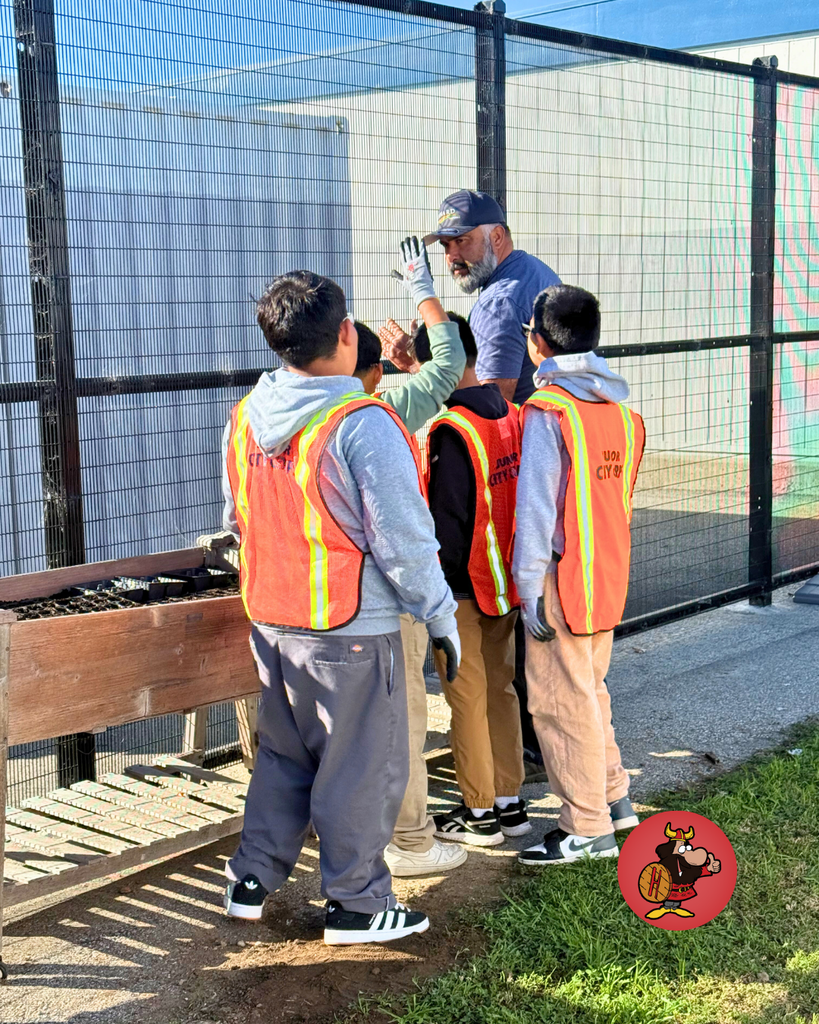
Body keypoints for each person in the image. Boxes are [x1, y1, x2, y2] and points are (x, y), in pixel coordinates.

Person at [220, 267, 460, 944]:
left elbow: (239, 518)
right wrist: (438, 613)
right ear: (347, 334)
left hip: (272, 622)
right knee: (359, 766)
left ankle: (250, 879)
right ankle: (357, 903)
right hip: (351, 629)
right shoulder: (362, 422)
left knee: (283, 758)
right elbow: (406, 541)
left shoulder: (244, 419)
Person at [513, 285, 644, 867]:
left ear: (538, 343)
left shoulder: (550, 412)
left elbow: (537, 510)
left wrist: (526, 587)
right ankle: (614, 800)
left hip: (561, 583)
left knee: (558, 704)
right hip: (607, 575)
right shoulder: (624, 416)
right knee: (589, 691)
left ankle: (586, 828)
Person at [351, 238, 468, 878]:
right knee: (403, 718)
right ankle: (413, 842)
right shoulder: (377, 411)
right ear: (371, 371)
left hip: (302, 605)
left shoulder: (260, 415)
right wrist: (422, 289)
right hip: (384, 601)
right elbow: (448, 365)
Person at [409, 313, 529, 847]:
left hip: (460, 588)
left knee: (466, 698)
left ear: (441, 362)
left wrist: (432, 589)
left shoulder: (449, 431)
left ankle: (479, 814)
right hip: (505, 581)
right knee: (501, 693)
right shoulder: (508, 413)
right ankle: (511, 803)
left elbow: (446, 521)